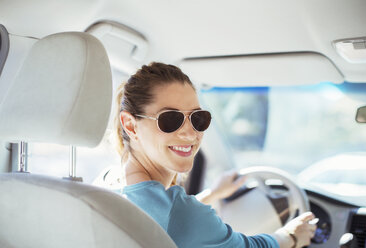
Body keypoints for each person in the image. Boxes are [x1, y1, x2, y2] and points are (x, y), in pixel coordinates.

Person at [115, 62, 317, 248]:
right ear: (131, 125)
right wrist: (291, 235)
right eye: (170, 119)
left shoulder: (111, 185)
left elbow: (171, 220)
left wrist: (213, 195)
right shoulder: (182, 213)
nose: (191, 133)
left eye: (198, 118)